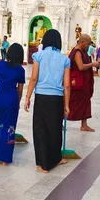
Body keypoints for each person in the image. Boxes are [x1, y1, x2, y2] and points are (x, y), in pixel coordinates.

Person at [24, 29, 70, 173]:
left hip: (42, 97)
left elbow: (33, 78)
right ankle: (56, 158)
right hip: (56, 98)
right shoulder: (64, 59)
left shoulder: (38, 56)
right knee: (55, 128)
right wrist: (67, 105)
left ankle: (42, 163)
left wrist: (28, 97)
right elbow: (67, 84)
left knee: (40, 129)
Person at [0, 43, 25, 165]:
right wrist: (17, 103)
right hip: (11, 99)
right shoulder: (20, 70)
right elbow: (20, 90)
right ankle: (5, 158)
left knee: (0, 125)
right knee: (9, 128)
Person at [68, 34, 99, 132]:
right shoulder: (77, 52)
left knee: (85, 102)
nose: (88, 46)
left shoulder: (83, 52)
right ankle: (61, 121)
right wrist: (92, 64)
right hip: (77, 82)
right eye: (88, 44)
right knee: (71, 102)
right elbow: (80, 67)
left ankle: (84, 125)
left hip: (84, 82)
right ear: (82, 42)